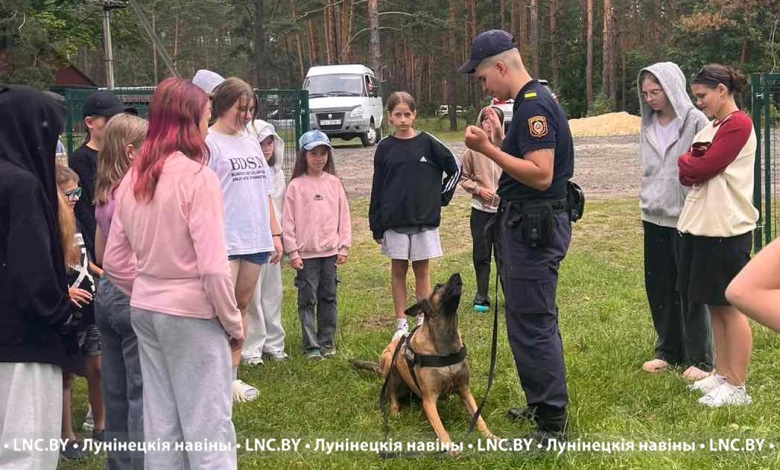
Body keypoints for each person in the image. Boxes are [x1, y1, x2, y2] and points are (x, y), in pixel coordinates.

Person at [103, 77, 243, 468]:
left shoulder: (134, 176)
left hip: (146, 309)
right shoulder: (198, 179)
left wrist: (151, 286)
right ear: (190, 121)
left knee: (161, 421)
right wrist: (233, 322)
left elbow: (114, 261)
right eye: (205, 117)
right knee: (209, 426)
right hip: (191, 314)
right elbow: (214, 268)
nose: (207, 125)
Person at [460, 29, 574, 442]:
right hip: (525, 224)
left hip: (535, 228)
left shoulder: (533, 105)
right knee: (527, 315)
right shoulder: (527, 105)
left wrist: (487, 150)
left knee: (533, 320)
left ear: (501, 67)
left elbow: (541, 175)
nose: (483, 85)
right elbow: (527, 160)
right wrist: (499, 140)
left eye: (482, 78)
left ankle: (551, 422)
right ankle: (540, 401)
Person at [0, 84, 80, 470]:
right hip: (25, 341)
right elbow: (31, 270)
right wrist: (61, 314)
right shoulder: (23, 186)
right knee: (27, 448)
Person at [677, 64, 757, 407]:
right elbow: (687, 170)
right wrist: (691, 162)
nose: (699, 103)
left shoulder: (738, 124)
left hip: (727, 229)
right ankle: (722, 374)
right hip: (705, 227)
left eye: (703, 95)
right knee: (714, 305)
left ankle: (737, 385)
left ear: (722, 90)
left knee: (730, 307)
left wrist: (693, 162)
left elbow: (702, 166)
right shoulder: (714, 126)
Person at [206, 77, 283, 401]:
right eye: (242, 109)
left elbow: (265, 191)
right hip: (224, 240)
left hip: (255, 239)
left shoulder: (251, 140)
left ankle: (233, 378)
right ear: (223, 106)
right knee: (218, 312)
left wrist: (275, 233)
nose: (247, 115)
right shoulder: (208, 142)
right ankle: (213, 378)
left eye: (251, 109)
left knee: (241, 308)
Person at [636, 62, 713, 380]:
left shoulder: (696, 121)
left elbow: (707, 166)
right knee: (660, 285)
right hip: (652, 216)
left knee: (690, 288)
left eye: (656, 91)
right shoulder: (647, 123)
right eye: (645, 93)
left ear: (671, 87)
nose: (651, 98)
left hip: (686, 218)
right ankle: (669, 349)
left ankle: (701, 358)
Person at [368, 91, 461, 340]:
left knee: (422, 271)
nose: (403, 119)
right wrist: (376, 224)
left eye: (407, 114)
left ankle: (422, 319)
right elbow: (377, 187)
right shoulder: (384, 147)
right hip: (394, 223)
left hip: (423, 222)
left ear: (415, 115)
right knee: (398, 271)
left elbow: (455, 167)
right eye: (397, 115)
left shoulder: (428, 143)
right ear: (389, 117)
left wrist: (440, 198)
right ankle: (401, 323)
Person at [93, 113, 148, 470]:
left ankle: (119, 463)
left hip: (106, 292)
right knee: (140, 392)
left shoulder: (103, 192)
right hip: (133, 291)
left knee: (114, 390)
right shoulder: (137, 191)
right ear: (131, 152)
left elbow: (101, 252)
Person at [283, 130, 352, 360]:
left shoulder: (334, 184)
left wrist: (343, 247)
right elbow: (288, 221)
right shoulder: (295, 186)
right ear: (304, 156)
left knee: (329, 297)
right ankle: (311, 346)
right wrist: (292, 251)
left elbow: (344, 217)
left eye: (323, 153)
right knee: (307, 299)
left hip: (330, 253)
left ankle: (327, 342)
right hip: (305, 255)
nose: (319, 158)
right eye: (314, 153)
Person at [56, 165, 106, 459]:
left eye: (77, 192)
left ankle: (100, 426)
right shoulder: (50, 224)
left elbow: (84, 259)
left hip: (91, 305)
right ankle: (66, 436)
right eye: (68, 193)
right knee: (66, 375)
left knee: (97, 368)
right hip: (68, 309)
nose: (74, 198)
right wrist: (65, 294)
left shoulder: (75, 222)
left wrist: (104, 273)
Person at [69, 91, 136, 258]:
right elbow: (85, 211)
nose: (116, 125)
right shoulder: (80, 159)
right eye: (109, 120)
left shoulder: (124, 154)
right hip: (104, 252)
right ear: (89, 122)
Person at [244, 119, 289, 362]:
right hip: (252, 240)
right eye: (261, 142)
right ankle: (252, 349)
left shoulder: (278, 174)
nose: (267, 147)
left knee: (273, 293)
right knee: (252, 295)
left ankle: (274, 344)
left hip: (274, 241)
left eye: (270, 141)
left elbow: (279, 208)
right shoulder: (247, 174)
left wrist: (279, 235)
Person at [459, 105, 504, 312]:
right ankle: (482, 296)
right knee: (481, 254)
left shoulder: (508, 148)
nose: (488, 124)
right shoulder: (472, 151)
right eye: (485, 119)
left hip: (505, 212)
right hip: (481, 211)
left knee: (505, 255)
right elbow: (463, 177)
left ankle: (510, 296)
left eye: (493, 119)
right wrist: (478, 189)